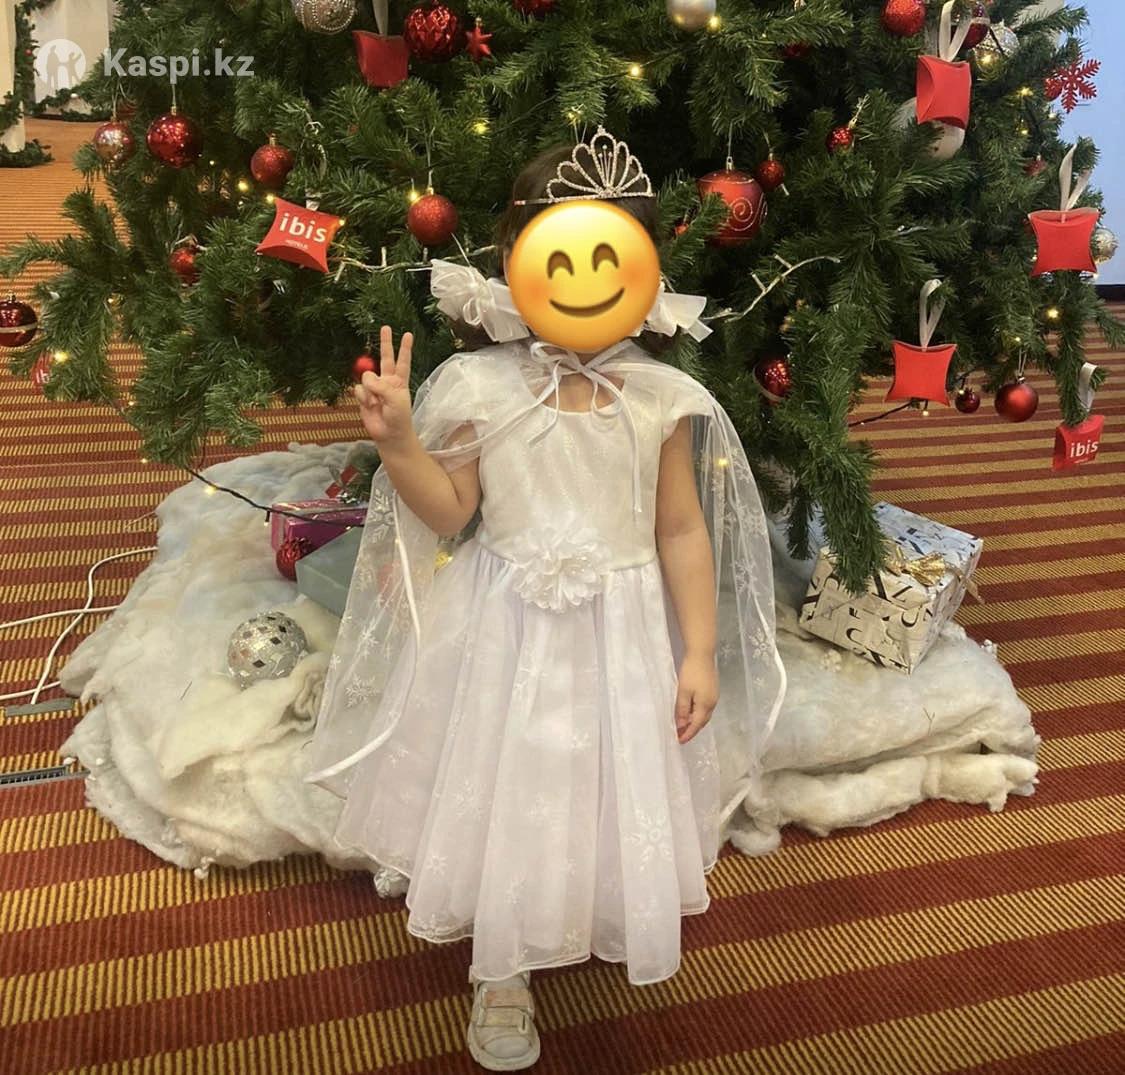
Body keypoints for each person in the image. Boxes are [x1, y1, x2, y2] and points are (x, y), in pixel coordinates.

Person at [305, 129, 785, 1071]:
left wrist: (696, 650)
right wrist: (399, 443)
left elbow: (680, 529)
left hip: (621, 632)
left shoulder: (659, 397)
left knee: (601, 780)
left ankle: (583, 897)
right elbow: (449, 512)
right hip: (500, 628)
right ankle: (502, 967)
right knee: (506, 784)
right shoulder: (478, 385)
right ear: (517, 259)